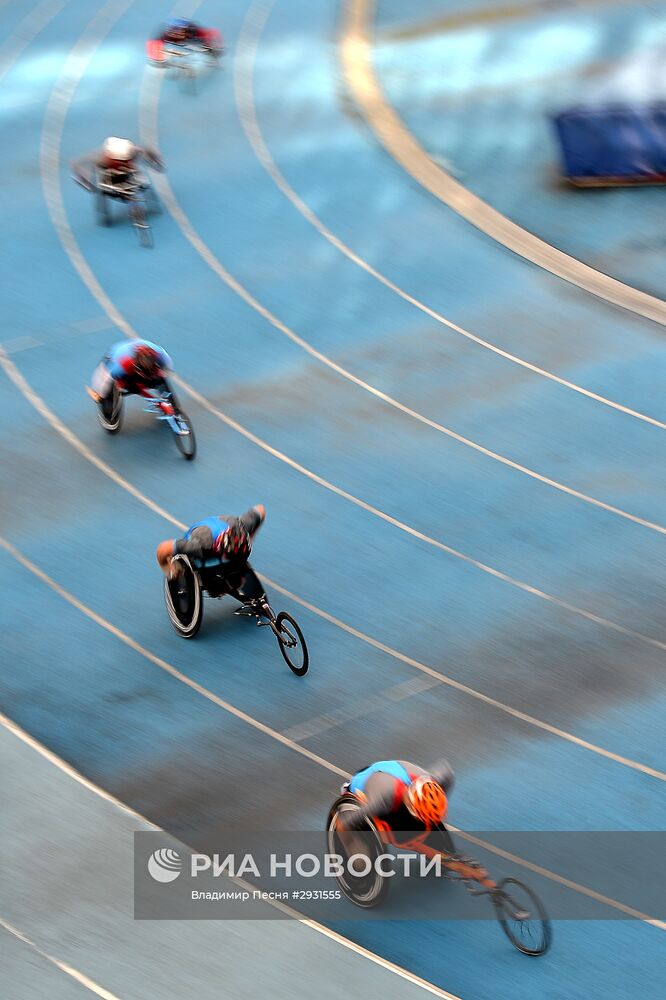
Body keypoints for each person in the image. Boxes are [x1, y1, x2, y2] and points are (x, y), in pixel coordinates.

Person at [156, 505, 267, 598]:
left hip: (225, 529)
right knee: (214, 587)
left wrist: (252, 536)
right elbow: (162, 549)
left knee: (237, 578)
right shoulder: (199, 546)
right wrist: (169, 571)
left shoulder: (244, 526)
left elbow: (260, 509)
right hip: (202, 546)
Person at [338, 759, 455, 838]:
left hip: (392, 772)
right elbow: (344, 825)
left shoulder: (435, 780)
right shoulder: (382, 800)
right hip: (362, 784)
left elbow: (446, 769)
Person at [87, 339, 174, 418]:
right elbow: (108, 378)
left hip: (140, 353)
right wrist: (101, 395)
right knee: (110, 390)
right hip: (114, 358)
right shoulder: (121, 365)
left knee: (159, 377)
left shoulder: (160, 355)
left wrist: (164, 373)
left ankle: (155, 380)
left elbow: (168, 367)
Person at [71, 137, 164, 197]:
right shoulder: (100, 158)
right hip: (113, 180)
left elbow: (146, 150)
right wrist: (88, 183)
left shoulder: (133, 151)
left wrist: (156, 163)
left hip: (127, 176)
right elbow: (75, 164)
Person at [147, 17, 223, 62]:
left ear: (185, 29)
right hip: (176, 43)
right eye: (174, 30)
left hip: (190, 40)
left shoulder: (193, 29)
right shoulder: (165, 34)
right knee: (159, 47)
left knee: (206, 46)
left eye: (179, 30)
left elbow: (209, 33)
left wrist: (212, 46)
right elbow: (152, 43)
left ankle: (211, 53)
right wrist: (157, 58)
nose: (177, 32)